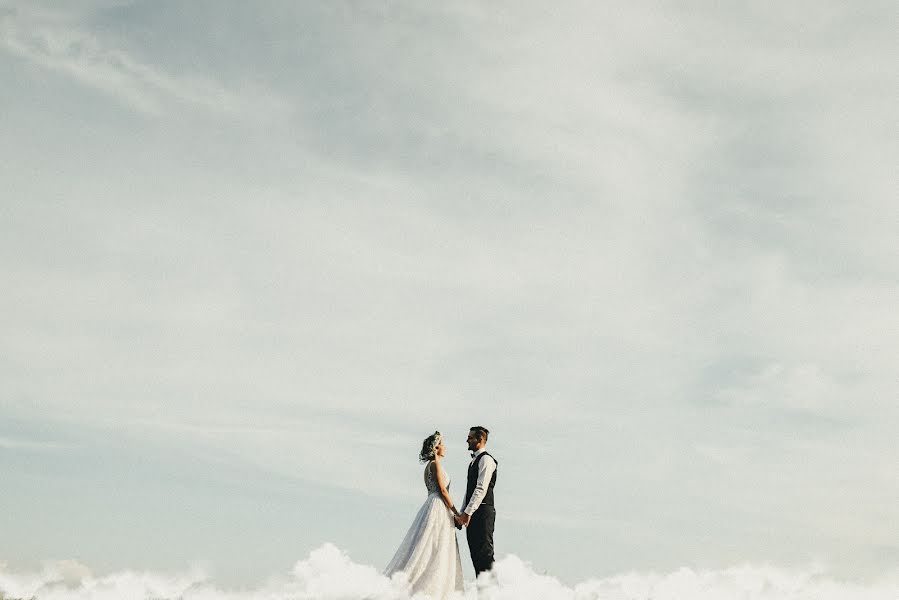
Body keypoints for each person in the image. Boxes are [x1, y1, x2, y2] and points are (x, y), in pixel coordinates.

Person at [384, 431, 464, 598]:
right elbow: (442, 490)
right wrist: (457, 513)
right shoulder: (435, 464)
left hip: (431, 504)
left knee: (430, 545)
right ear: (436, 447)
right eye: (442, 443)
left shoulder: (429, 466)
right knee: (435, 546)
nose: (445, 447)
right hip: (438, 506)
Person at [454, 426, 497, 576]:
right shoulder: (472, 462)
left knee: (485, 555)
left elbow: (481, 489)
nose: (467, 440)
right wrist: (462, 513)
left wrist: (467, 513)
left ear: (480, 440)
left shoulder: (486, 460)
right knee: (475, 557)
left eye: (470, 437)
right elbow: (469, 491)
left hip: (483, 513)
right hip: (472, 514)